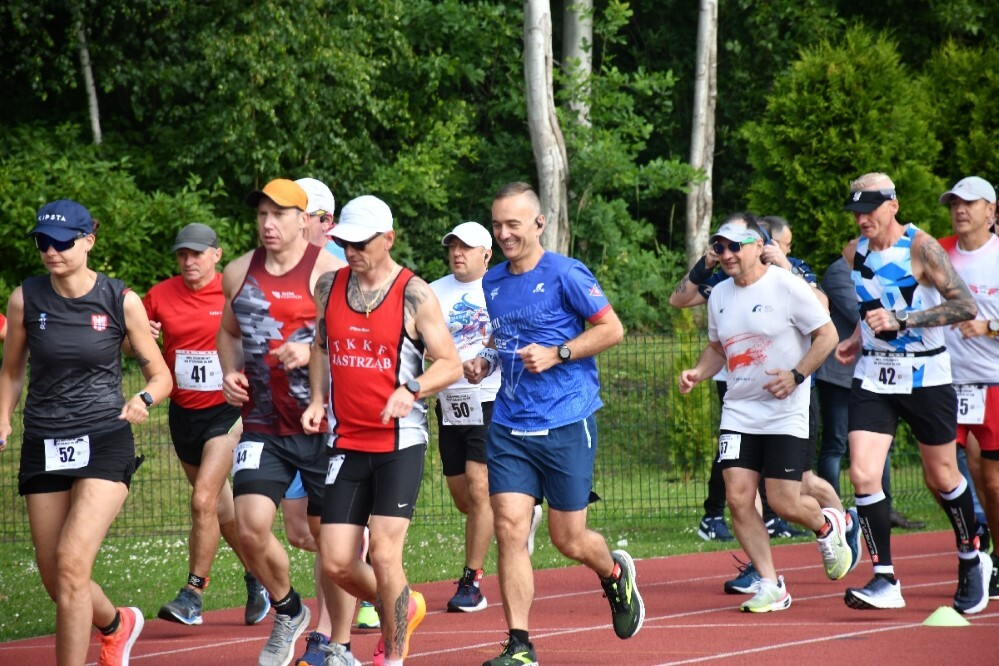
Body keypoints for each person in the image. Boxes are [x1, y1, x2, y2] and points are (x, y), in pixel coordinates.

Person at [463, 182, 643, 665]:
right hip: (509, 422)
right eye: (497, 225)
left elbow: (612, 329)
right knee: (509, 528)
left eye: (513, 224)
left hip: (566, 419)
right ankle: (520, 646)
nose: (504, 234)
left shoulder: (566, 273)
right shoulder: (493, 281)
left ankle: (613, 574)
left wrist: (560, 352)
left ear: (538, 224)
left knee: (568, 539)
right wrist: (485, 360)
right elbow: (504, 339)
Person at [0, 199, 173, 665]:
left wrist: (144, 399)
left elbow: (161, 376)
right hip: (43, 442)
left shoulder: (120, 299)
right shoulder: (26, 298)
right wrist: (2, 416)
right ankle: (117, 624)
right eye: (42, 242)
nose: (51, 251)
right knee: (56, 580)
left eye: (62, 242)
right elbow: (12, 372)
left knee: (74, 564)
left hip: (104, 437)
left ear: (88, 242)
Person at [301, 194, 463, 666]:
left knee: (386, 554)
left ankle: (392, 658)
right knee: (334, 561)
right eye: (344, 242)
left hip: (399, 442)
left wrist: (410, 388)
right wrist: (316, 400)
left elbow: (450, 363)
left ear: (388, 239)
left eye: (361, 242)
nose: (351, 251)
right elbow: (320, 346)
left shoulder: (415, 293)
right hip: (346, 440)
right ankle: (402, 604)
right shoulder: (329, 287)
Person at [216, 178, 357, 666]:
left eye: (279, 215)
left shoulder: (332, 273)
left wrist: (316, 347)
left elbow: (359, 340)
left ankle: (339, 644)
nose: (268, 224)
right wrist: (230, 371)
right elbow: (229, 332)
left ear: (304, 219)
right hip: (262, 425)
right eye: (262, 215)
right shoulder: (237, 272)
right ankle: (289, 609)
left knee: (331, 544)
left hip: (326, 428)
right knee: (250, 525)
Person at [678, 220, 851, 613]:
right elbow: (719, 348)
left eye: (735, 247)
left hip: (785, 411)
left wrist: (796, 376)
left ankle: (828, 526)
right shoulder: (719, 294)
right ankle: (771, 583)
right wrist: (697, 372)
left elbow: (827, 336)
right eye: (720, 248)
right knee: (738, 497)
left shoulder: (787, 285)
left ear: (759, 246)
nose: (727, 255)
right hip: (739, 411)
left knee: (785, 501)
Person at [835, 172, 988, 614]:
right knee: (863, 474)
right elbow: (870, 309)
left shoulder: (921, 248)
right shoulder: (853, 252)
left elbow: (964, 306)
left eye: (870, 210)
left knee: (942, 476)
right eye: (857, 212)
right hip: (875, 376)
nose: (862, 219)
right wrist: (857, 337)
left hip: (926, 375)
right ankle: (884, 578)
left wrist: (904, 322)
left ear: (893, 206)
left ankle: (970, 555)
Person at [142, 222, 270, 627]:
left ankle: (193, 594)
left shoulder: (235, 292)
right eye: (182, 254)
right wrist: (140, 336)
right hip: (184, 413)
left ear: (216, 255)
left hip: (228, 411)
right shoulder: (159, 295)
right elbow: (132, 343)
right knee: (218, 506)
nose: (189, 261)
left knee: (201, 500)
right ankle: (258, 576)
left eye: (197, 253)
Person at [815, 258, 923, 530]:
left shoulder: (879, 271)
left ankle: (883, 510)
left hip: (872, 375)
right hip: (839, 377)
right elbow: (862, 316)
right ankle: (833, 515)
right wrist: (896, 311)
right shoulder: (838, 271)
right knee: (836, 445)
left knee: (879, 445)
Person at [427, 221, 501, 613]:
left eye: (467, 247)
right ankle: (510, 515)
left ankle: (472, 581)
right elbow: (419, 339)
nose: (458, 253)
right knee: (464, 498)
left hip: (490, 398)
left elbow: (513, 337)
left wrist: (485, 363)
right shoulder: (432, 292)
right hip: (450, 400)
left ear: (486, 254)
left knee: (478, 486)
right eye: (453, 246)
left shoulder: (500, 287)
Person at [937, 175, 999, 599]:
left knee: (991, 481)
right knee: (938, 475)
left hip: (993, 381)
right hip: (944, 380)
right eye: (955, 203)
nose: (960, 210)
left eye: (970, 203)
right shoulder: (936, 252)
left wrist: (990, 326)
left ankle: (995, 556)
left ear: (991, 212)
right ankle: (975, 544)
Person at [296, 177, 347, 262]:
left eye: (302, 217)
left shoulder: (348, 262)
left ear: (326, 221)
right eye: (283, 215)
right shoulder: (271, 257)